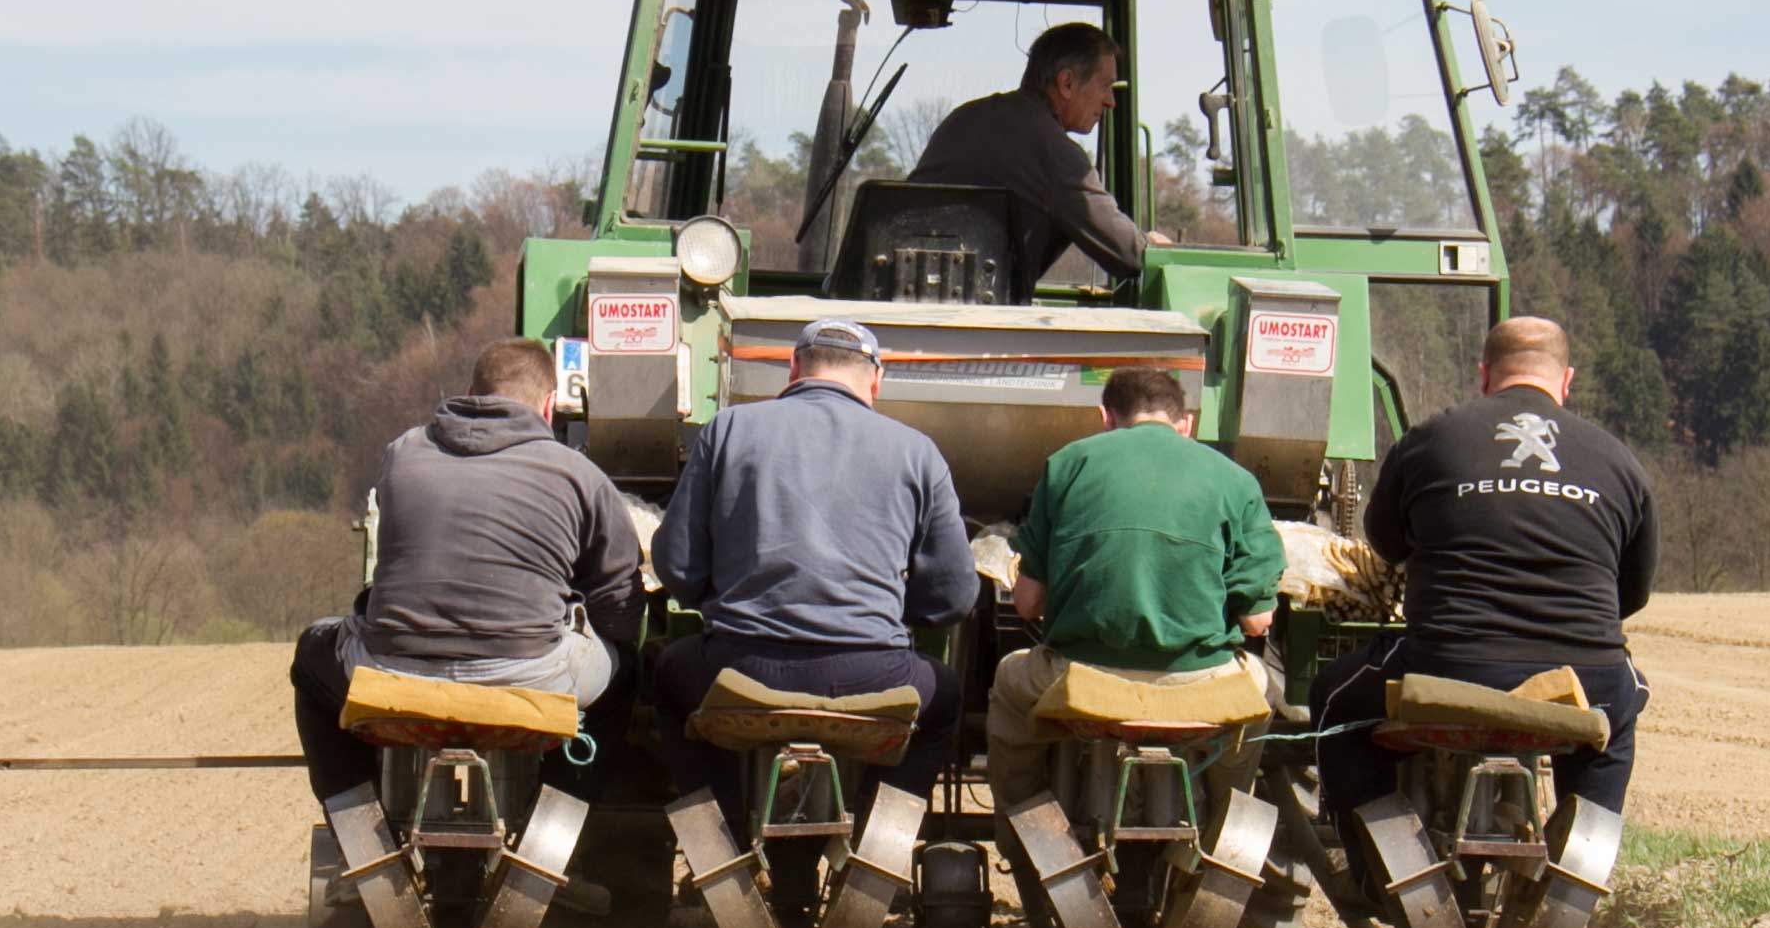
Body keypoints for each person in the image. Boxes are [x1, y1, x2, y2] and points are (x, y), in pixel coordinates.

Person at [1311, 314, 1658, 834]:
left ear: (1484, 373)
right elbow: (1630, 593)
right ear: (1566, 380)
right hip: (1585, 676)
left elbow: (1385, 544)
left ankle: (1381, 853)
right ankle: (1582, 849)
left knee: (1333, 697)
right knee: (1621, 709)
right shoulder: (1620, 460)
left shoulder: (1431, 439)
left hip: (1448, 666)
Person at [651, 318, 978, 841]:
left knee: (668, 673)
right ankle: (877, 850)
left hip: (739, 669)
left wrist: (722, 595)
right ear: (876, 380)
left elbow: (678, 567)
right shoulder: (918, 451)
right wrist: (887, 611)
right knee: (944, 696)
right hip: (875, 675)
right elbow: (955, 596)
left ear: (793, 368)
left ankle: (722, 844)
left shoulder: (728, 429)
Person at [290, 339, 643, 805]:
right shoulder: (580, 474)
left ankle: (355, 817)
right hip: (532, 672)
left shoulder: (402, 452)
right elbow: (620, 604)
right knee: (626, 667)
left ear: (471, 394)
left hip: (394, 666)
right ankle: (559, 816)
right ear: (549, 405)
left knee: (310, 654)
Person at [987, 366, 1285, 817]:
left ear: (1105, 418)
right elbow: (1257, 621)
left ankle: (1025, 830)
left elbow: (1027, 604)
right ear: (1186, 424)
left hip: (1083, 681)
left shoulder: (1067, 464)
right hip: (1198, 685)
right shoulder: (1236, 479)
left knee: (1010, 681)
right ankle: (1224, 825)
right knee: (1259, 690)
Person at [909, 21, 1172, 298]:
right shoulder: (1054, 151)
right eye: (1105, 86)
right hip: (979, 314)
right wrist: (1150, 245)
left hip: (905, 305)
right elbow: (1129, 254)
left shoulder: (963, 117)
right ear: (1067, 83)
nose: (1110, 101)